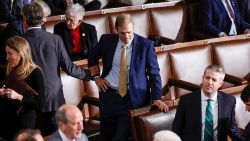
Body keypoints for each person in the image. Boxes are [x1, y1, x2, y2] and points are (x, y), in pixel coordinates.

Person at [88, 13, 168, 141]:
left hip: (132, 99)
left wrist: (157, 97)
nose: (126, 36)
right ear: (116, 30)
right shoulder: (106, 40)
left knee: (120, 138)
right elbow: (92, 56)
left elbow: (154, 73)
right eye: (122, 33)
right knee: (105, 137)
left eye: (129, 32)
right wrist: (96, 77)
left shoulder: (145, 45)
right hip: (108, 95)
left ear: (133, 28)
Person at [22, 3, 94, 136]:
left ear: (25, 20)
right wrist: (90, 74)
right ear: (43, 19)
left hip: (29, 103)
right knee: (58, 137)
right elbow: (70, 68)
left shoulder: (20, 42)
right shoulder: (55, 40)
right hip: (53, 99)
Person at [172, 64, 247, 141]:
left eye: (214, 80)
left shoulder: (229, 101)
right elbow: (176, 130)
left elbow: (232, 129)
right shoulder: (186, 101)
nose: (209, 82)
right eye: (207, 78)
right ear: (202, 78)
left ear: (220, 84)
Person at [0, 36, 44, 140]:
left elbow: (40, 105)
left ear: (20, 53)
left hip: (24, 125)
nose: (7, 58)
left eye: (10, 53)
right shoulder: (8, 68)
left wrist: (18, 96)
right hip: (6, 122)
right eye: (6, 53)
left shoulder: (35, 72)